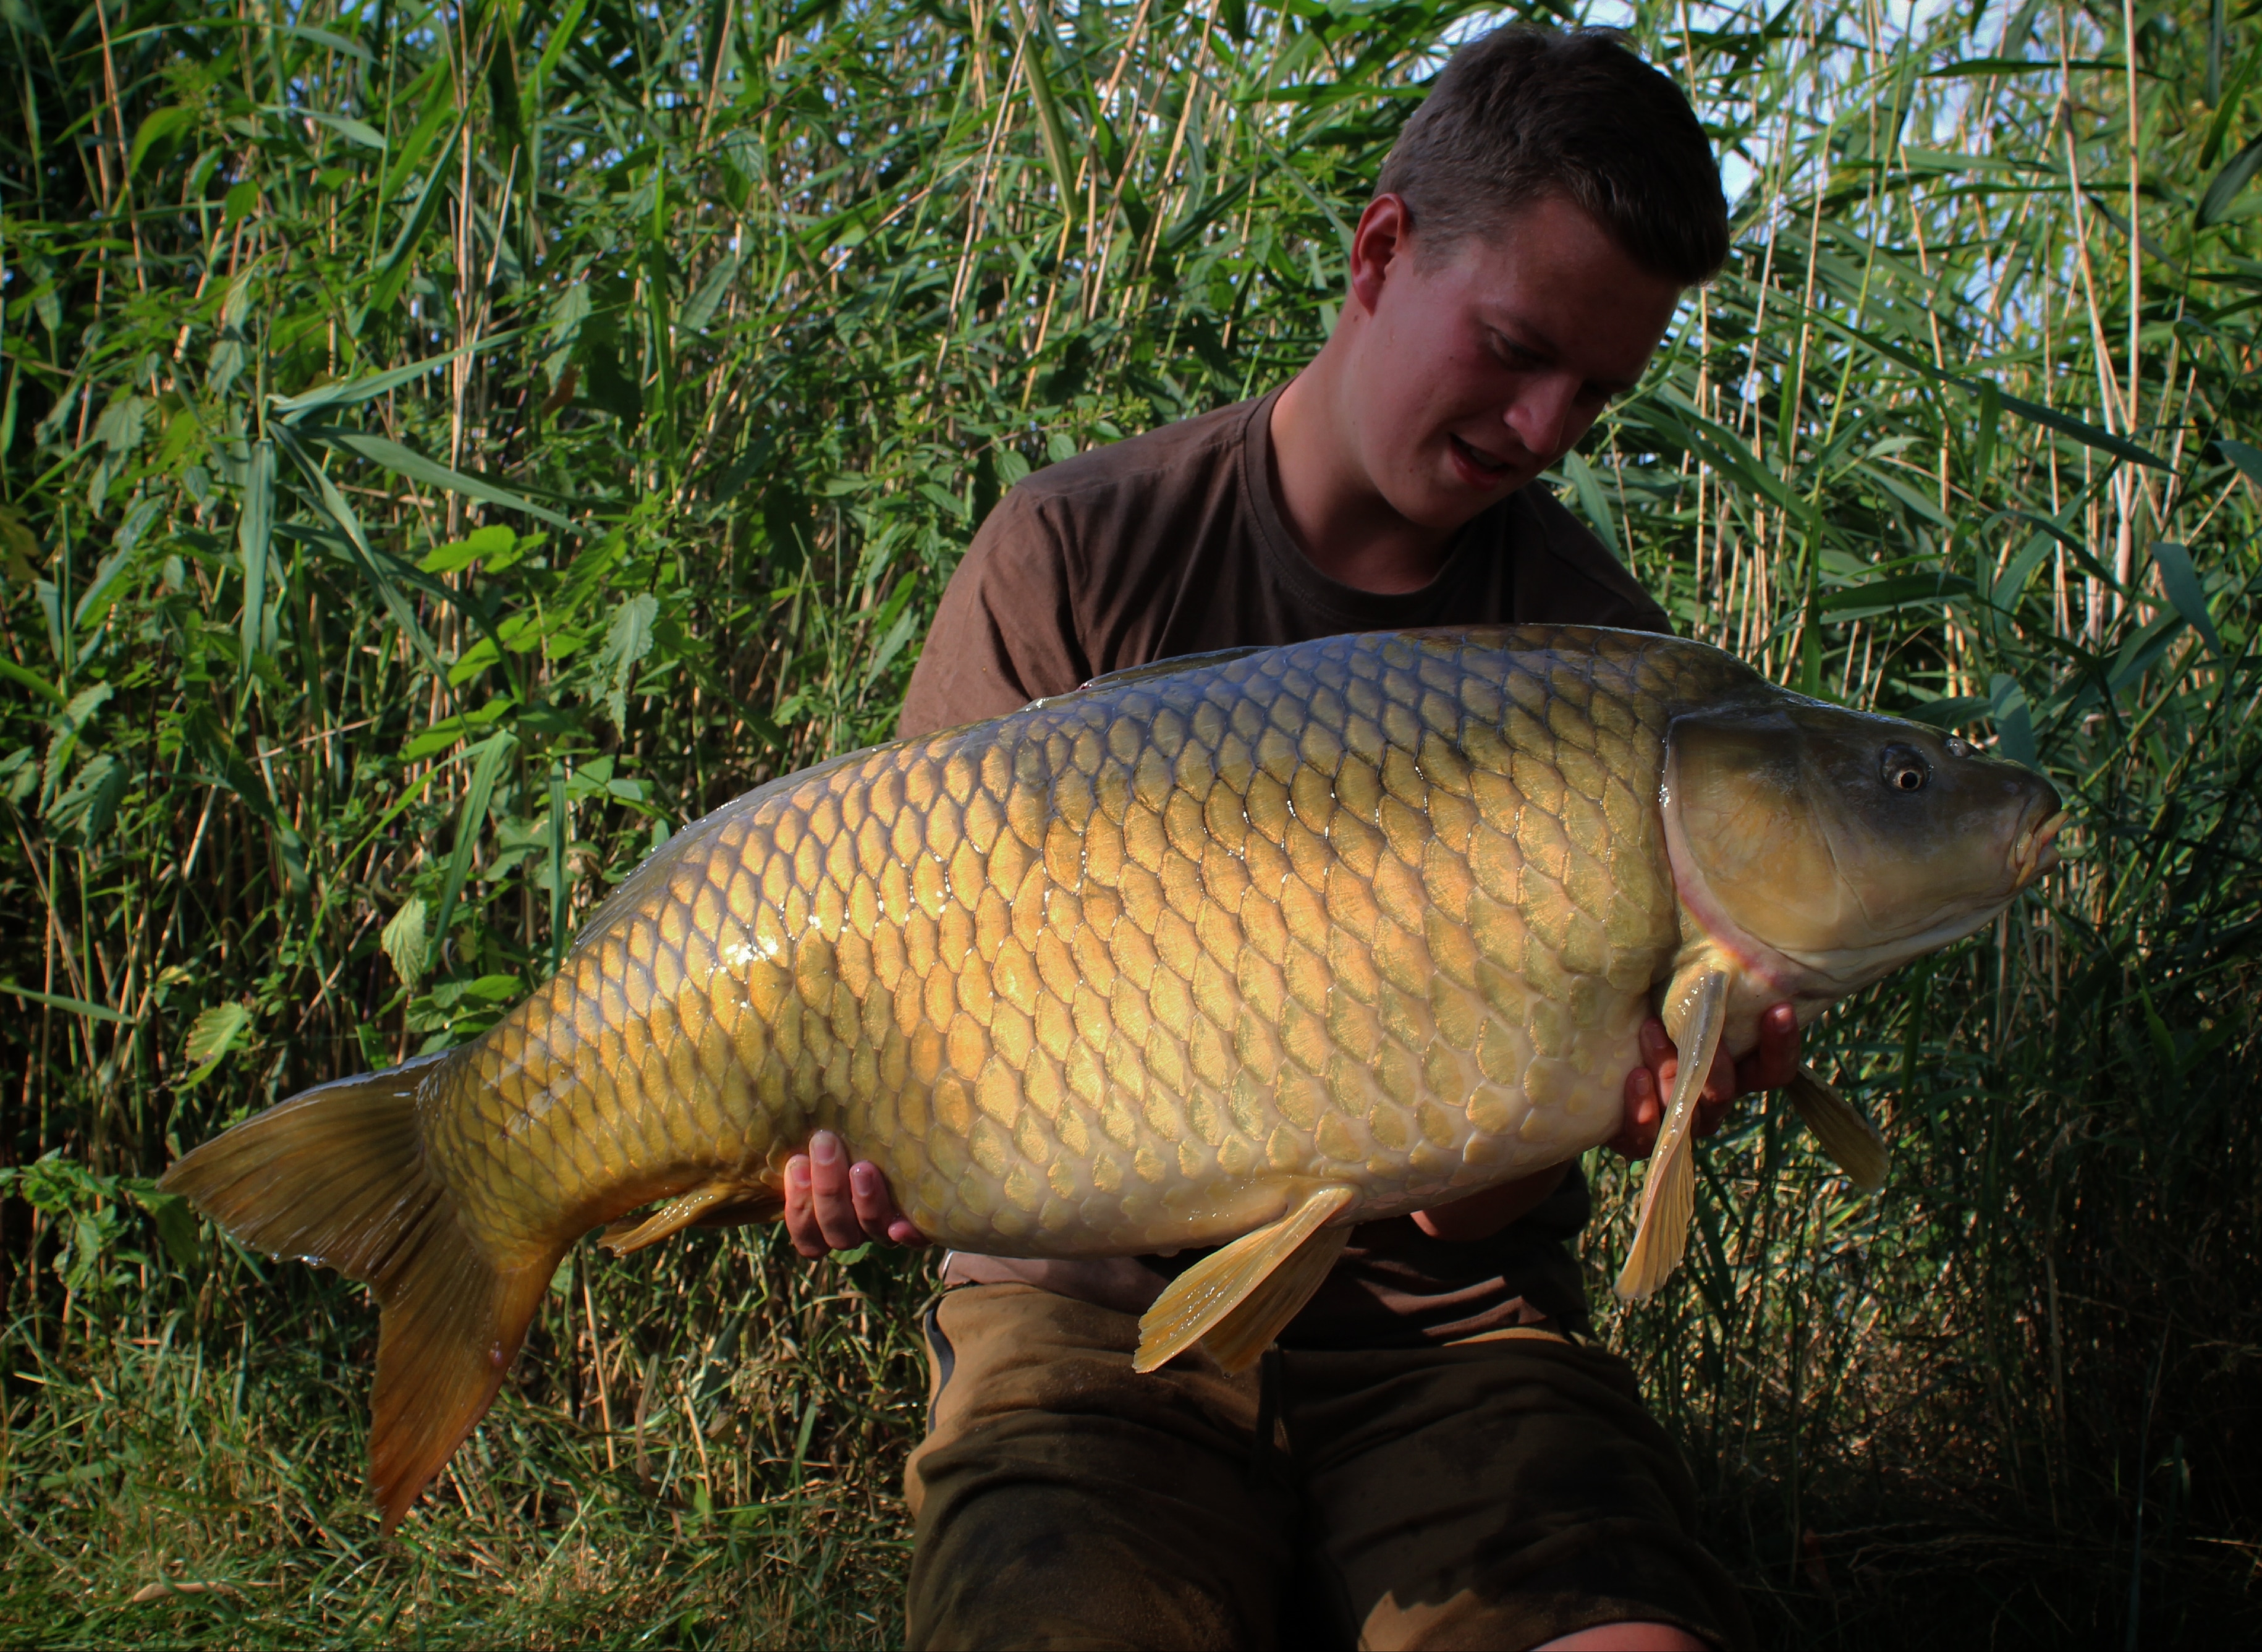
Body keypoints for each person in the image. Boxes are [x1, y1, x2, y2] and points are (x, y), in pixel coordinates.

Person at [781, 25, 1795, 1651]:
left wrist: (1628, 1093)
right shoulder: (1080, 553)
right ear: (1381, 251)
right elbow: (901, 982)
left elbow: (1474, 1215)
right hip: (1088, 1315)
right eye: (1515, 347)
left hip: (1447, 1337)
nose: (1543, 427)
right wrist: (840, 1131)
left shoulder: (1599, 665)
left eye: (1596, 389)